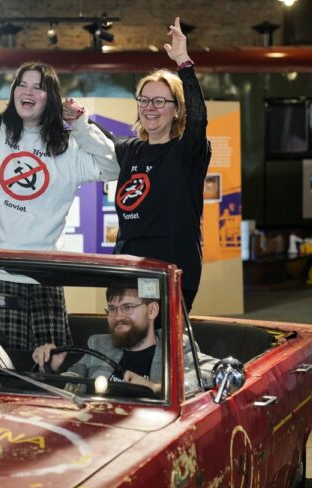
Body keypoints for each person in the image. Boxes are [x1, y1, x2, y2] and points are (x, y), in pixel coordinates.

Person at [0, 61, 119, 350]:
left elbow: (112, 168)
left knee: (49, 365)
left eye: (37, 87)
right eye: (21, 84)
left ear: (50, 96)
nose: (27, 92)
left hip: (42, 273)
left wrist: (79, 125)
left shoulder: (67, 144)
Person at [63, 18, 211, 311]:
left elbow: (198, 120)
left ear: (177, 108)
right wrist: (79, 118)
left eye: (159, 101)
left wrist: (183, 61)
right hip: (127, 272)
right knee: (127, 342)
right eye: (144, 100)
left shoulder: (188, 152)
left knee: (163, 351)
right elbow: (103, 140)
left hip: (172, 272)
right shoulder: (131, 151)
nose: (149, 108)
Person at [31, 287, 217, 394]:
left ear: (152, 310)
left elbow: (212, 371)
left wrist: (159, 388)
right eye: (112, 309)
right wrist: (49, 369)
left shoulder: (176, 347)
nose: (118, 316)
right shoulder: (99, 345)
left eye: (127, 307)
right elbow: (75, 381)